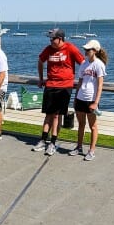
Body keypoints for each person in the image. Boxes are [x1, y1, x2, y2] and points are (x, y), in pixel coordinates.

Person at [33, 28, 84, 156]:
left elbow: (83, 63)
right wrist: (40, 78)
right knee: (48, 114)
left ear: (60, 38)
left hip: (64, 86)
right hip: (50, 84)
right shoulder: (49, 49)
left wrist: (82, 80)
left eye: (53, 38)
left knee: (57, 115)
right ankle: (43, 140)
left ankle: (53, 143)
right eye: (50, 39)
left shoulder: (70, 48)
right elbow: (40, 61)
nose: (51, 41)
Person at [69, 40, 107, 161]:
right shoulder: (84, 64)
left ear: (95, 51)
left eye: (88, 50)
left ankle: (91, 151)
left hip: (91, 99)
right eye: (85, 49)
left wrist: (96, 102)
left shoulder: (99, 64)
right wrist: (75, 97)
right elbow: (80, 82)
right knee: (81, 124)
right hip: (81, 98)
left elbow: (100, 85)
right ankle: (79, 147)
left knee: (93, 126)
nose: (85, 51)